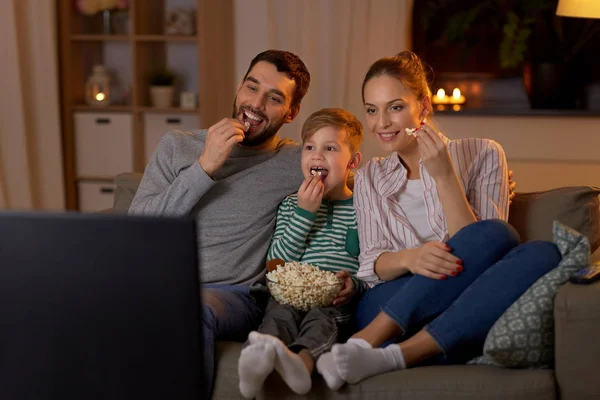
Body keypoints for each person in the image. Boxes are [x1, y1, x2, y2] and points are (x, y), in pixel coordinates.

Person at [315, 51, 562, 390]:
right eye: (372, 110)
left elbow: (487, 252)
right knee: (496, 237)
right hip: (389, 304)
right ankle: (370, 338)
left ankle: (391, 356)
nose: (381, 122)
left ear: (424, 107)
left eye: (395, 107)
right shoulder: (370, 175)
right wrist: (411, 258)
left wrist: (445, 175)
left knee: (543, 253)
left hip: (461, 303)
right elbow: (372, 263)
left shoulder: (484, 153)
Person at [128, 50, 311, 397]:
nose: (255, 104)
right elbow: (139, 229)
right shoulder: (178, 146)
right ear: (239, 88)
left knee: (187, 309)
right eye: (251, 87)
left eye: (274, 98)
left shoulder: (295, 161)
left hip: (231, 296)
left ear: (292, 112)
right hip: (157, 286)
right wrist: (204, 167)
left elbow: (364, 178)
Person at [237, 108, 366, 397]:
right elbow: (276, 264)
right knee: (277, 316)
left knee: (322, 320)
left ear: (353, 161)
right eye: (310, 147)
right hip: (289, 294)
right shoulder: (290, 205)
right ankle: (256, 361)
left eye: (329, 148)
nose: (317, 155)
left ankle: (301, 362)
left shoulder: (363, 210)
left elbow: (369, 266)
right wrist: (304, 214)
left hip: (333, 300)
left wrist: (353, 285)